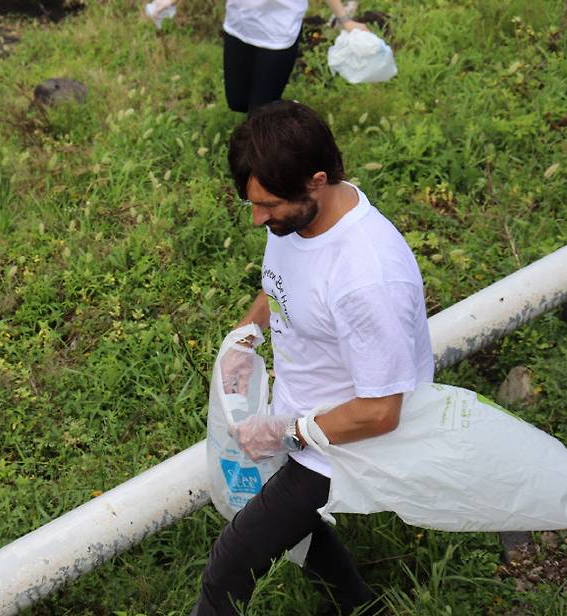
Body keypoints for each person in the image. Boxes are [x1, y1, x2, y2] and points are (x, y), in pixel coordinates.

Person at [191, 101, 434, 615]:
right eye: (251, 204)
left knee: (228, 567)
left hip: (341, 445)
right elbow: (284, 282)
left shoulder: (366, 277)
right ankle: (359, 606)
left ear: (316, 180)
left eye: (269, 205)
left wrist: (285, 432)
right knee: (299, 533)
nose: (258, 219)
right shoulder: (301, 221)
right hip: (300, 414)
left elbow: (380, 412)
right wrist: (249, 329)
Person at [222, 1, 369, 112]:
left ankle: (275, 137)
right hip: (238, 23)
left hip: (278, 34)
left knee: (259, 113)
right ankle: (287, 113)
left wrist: (346, 20)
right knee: (237, 102)